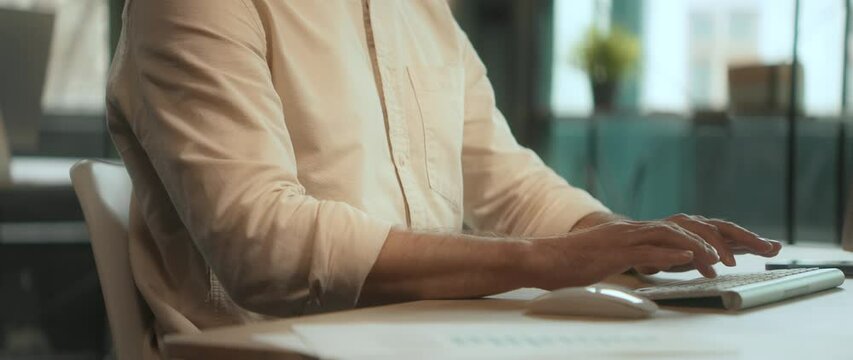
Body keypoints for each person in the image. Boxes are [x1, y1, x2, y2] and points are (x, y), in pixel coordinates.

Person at [107, 0, 782, 356]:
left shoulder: (421, 12)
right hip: (270, 353)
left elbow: (507, 182)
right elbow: (263, 242)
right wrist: (548, 261)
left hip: (419, 341)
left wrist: (622, 239)